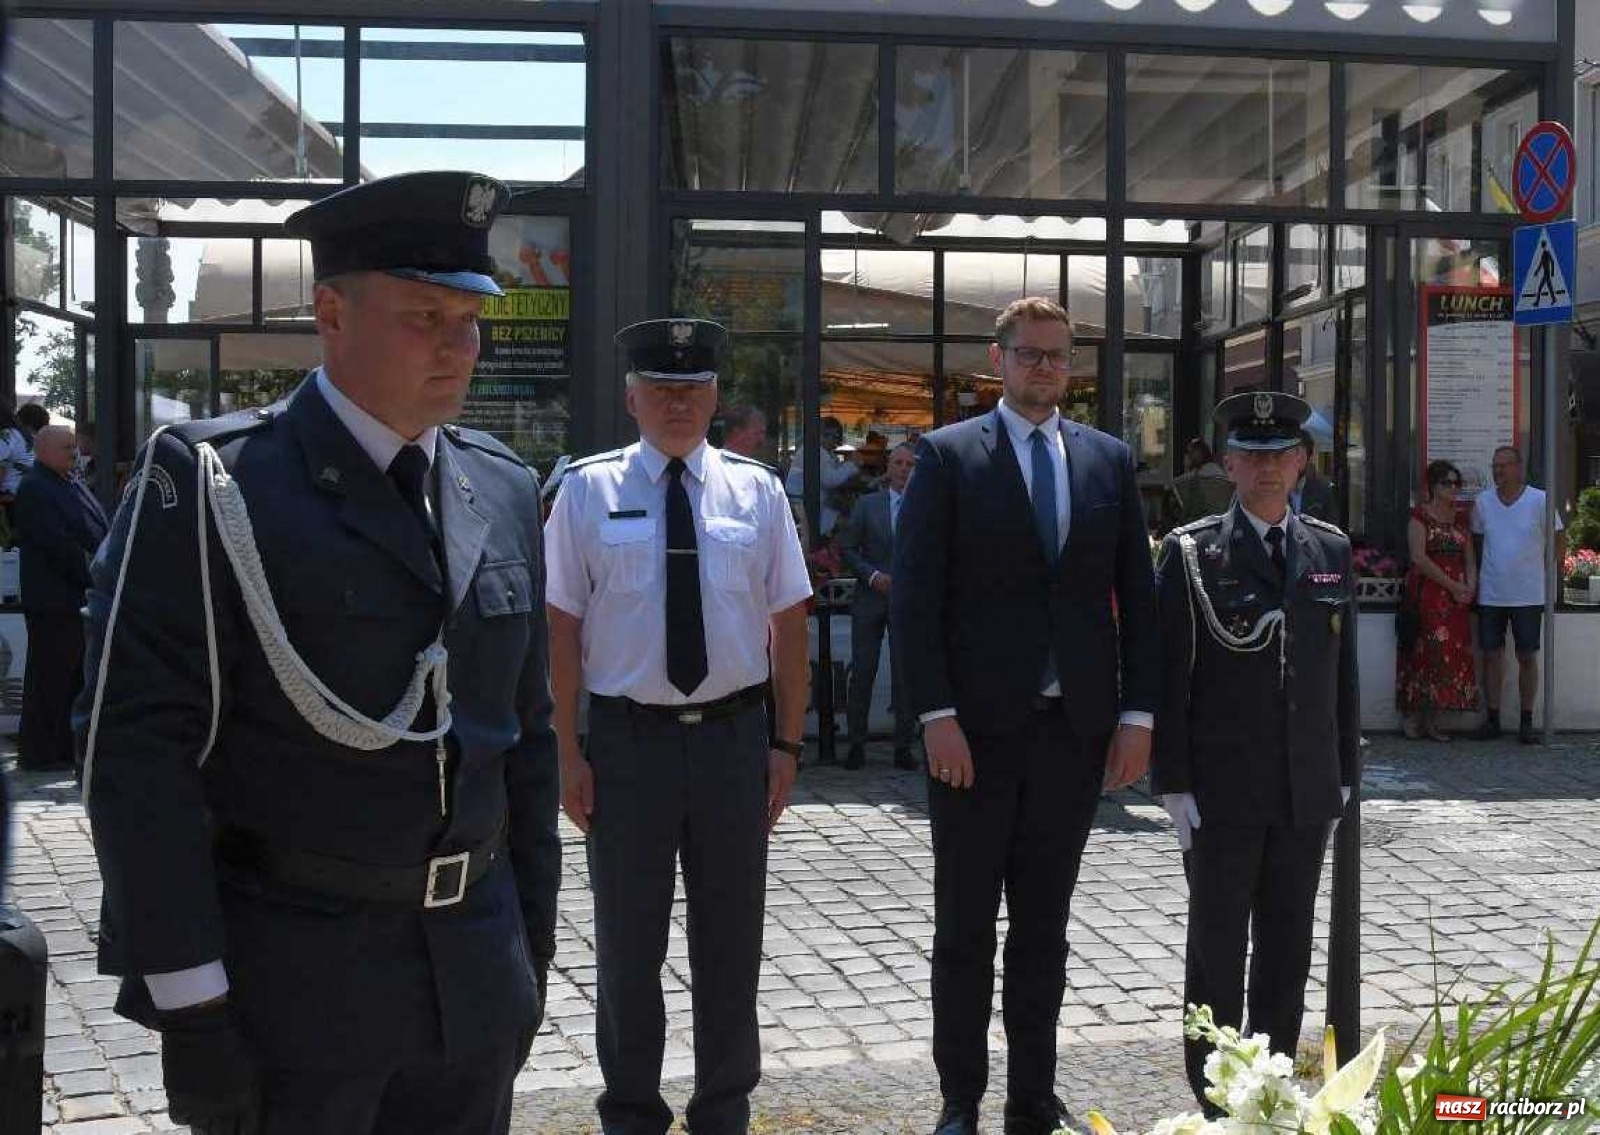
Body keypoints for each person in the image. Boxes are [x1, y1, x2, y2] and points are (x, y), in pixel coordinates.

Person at [75, 171, 561, 1135]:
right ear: (331, 313)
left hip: (471, 982)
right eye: (425, 315)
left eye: (470, 320)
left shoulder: (499, 487)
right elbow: (134, 756)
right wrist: (192, 1005)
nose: (457, 347)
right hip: (290, 996)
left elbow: (524, 739)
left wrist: (527, 945)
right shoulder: (215, 486)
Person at [892, 296, 1160, 1135]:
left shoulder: (1108, 461)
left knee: (1045, 928)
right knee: (965, 927)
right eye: (1029, 353)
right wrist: (934, 714)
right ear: (998, 360)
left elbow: (1139, 602)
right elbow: (917, 601)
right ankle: (960, 1098)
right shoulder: (947, 456)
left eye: (1057, 355)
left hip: (1072, 734)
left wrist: (1138, 715)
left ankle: (1031, 1096)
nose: (1044, 368)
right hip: (971, 736)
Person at [544, 318, 813, 1135]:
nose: (676, 403)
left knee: (731, 939)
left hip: (735, 741)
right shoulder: (587, 492)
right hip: (629, 746)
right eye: (660, 388)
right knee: (628, 943)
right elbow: (559, 629)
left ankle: (723, 1107)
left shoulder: (756, 491)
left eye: (692, 389)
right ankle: (630, 1110)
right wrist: (567, 751)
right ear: (630, 397)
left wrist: (787, 741)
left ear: (716, 397)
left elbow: (791, 623)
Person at [1151, 391, 1359, 1115]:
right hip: (1221, 789)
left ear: (1303, 462)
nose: (1269, 469)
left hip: (1304, 789)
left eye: (1282, 455)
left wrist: (1345, 776)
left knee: (1286, 948)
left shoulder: (1329, 549)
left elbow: (1343, 675)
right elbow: (1166, 674)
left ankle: (1266, 1092)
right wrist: (1173, 782)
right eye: (1254, 455)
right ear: (1229, 462)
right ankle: (1215, 1097)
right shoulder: (1190, 552)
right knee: (1216, 947)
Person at [13, 426, 107, 772]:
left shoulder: (68, 480)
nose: (74, 452)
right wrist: (99, 572)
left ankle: (65, 749)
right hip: (54, 600)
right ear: (43, 450)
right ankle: (39, 752)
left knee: (72, 679)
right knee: (49, 679)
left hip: (75, 598)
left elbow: (94, 525)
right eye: (66, 447)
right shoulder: (36, 487)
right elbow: (58, 545)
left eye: (74, 446)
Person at [1471, 445, 1564, 744]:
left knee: (1527, 656)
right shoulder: (1483, 502)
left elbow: (1559, 539)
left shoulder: (1540, 500)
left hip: (1528, 594)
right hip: (1492, 593)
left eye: (1504, 465)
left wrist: (1542, 569)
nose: (1498, 471)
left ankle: (1527, 721)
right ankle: (1493, 719)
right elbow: (1478, 544)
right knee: (1491, 656)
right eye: (1495, 465)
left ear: (1518, 467)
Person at [838, 441, 918, 771]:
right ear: (888, 467)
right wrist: (872, 576)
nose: (903, 470)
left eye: (909, 465)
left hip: (907, 600)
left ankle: (903, 747)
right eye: (898, 463)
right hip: (871, 597)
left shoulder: (926, 505)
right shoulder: (867, 505)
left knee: (905, 675)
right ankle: (856, 745)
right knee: (863, 672)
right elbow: (847, 548)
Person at [1397, 460, 1478, 741]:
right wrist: (1453, 585)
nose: (1454, 489)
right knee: (1423, 653)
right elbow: (1418, 558)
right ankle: (1413, 715)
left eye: (1457, 483)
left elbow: (1469, 558)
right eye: (1448, 483)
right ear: (1433, 486)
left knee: (1449, 657)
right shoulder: (1420, 516)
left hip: (1456, 600)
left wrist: (1469, 588)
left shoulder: (1460, 518)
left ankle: (1433, 720)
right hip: (1428, 595)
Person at [785, 415, 859, 539]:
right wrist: (852, 465)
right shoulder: (817, 451)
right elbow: (831, 480)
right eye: (834, 437)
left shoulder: (817, 451)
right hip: (806, 507)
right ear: (823, 435)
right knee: (848, 522)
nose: (836, 442)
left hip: (807, 503)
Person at [1291, 430, 1338, 524]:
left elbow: (1331, 529)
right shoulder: (1274, 486)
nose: (1294, 461)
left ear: (1310, 457)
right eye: (1290, 455)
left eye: (1300, 456)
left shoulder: (1324, 489)